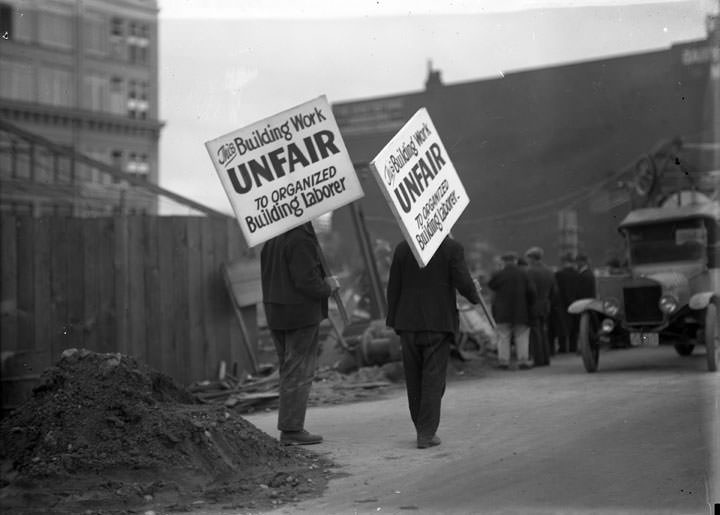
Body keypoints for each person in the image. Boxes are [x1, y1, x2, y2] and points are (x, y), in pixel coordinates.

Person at [386, 235, 480, 449]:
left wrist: (393, 319)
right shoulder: (451, 247)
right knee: (433, 379)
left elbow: (393, 287)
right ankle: (426, 433)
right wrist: (475, 295)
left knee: (414, 377)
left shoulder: (403, 248)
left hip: (407, 322)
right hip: (437, 323)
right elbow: (463, 281)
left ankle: (422, 427)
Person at [260, 221, 340, 446]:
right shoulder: (300, 239)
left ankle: (290, 426)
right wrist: (329, 288)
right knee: (299, 371)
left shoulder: (272, 237)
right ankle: (292, 429)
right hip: (299, 314)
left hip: (276, 313)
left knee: (289, 370)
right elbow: (307, 281)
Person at [488, 251, 536, 370]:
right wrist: (529, 304)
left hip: (503, 311)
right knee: (522, 336)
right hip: (521, 311)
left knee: (503, 336)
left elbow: (491, 285)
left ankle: (504, 362)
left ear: (503, 262)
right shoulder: (524, 274)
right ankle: (523, 361)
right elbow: (532, 292)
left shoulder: (499, 274)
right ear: (515, 261)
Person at [524, 247, 556, 367]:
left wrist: (529, 303)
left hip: (533, 305)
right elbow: (555, 291)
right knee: (543, 331)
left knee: (535, 333)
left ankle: (538, 359)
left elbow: (529, 291)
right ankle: (546, 358)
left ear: (532, 258)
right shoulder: (549, 271)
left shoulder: (529, 272)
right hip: (546, 305)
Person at [553, 253, 580, 353]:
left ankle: (563, 347)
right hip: (576, 303)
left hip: (562, 304)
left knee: (562, 326)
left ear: (563, 262)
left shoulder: (559, 274)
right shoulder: (577, 274)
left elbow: (556, 291)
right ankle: (573, 347)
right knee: (574, 326)